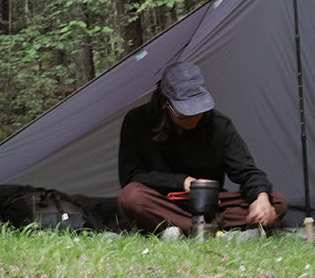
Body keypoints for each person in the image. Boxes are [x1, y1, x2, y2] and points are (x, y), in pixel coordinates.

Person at [117, 60, 287, 237]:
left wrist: (261, 198)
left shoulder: (219, 125)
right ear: (164, 104)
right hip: (164, 202)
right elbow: (131, 177)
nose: (192, 118)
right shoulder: (137, 122)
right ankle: (212, 231)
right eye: (183, 114)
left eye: (197, 110)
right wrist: (181, 182)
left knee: (276, 201)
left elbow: (248, 172)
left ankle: (185, 230)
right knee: (130, 197)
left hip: (212, 205)